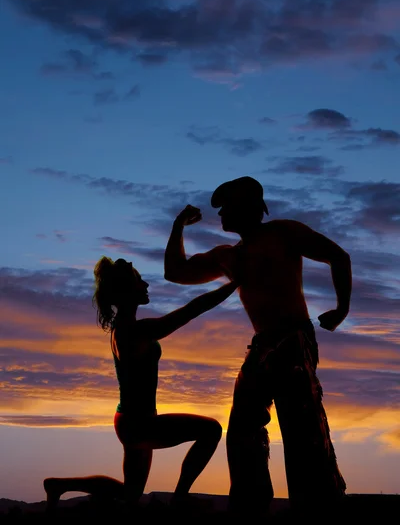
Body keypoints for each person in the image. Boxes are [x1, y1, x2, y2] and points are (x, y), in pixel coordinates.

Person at [164, 176, 352, 518]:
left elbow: (338, 257)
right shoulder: (228, 256)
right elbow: (175, 272)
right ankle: (249, 508)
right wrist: (178, 227)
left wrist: (341, 308)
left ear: (248, 206)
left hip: (294, 340)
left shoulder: (283, 232)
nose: (220, 214)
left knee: (303, 430)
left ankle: (318, 507)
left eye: (227, 207)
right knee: (242, 432)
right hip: (263, 345)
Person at [44, 256, 238, 513]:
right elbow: (192, 310)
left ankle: (57, 485)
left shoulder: (124, 328)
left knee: (130, 493)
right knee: (211, 430)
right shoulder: (134, 331)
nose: (146, 284)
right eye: (139, 282)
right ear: (126, 292)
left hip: (131, 420)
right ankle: (179, 498)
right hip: (139, 423)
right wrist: (235, 283)